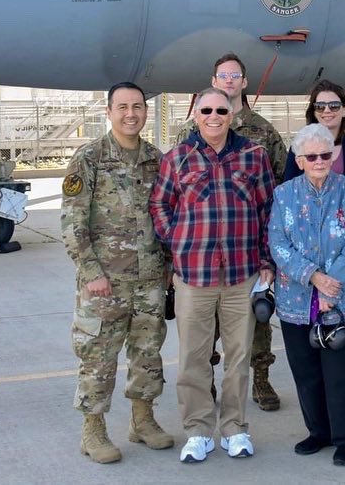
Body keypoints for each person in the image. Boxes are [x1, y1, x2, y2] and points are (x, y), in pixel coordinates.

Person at [150, 87, 276, 463]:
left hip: (242, 274)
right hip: (194, 276)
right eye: (206, 110)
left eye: (221, 110)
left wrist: (267, 261)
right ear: (196, 114)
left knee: (239, 358)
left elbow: (268, 210)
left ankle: (235, 428)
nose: (214, 117)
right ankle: (198, 431)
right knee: (193, 358)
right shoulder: (177, 158)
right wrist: (178, 240)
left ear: (231, 114)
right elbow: (160, 204)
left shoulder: (254, 155)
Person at [61, 81, 173, 463]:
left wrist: (168, 267)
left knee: (148, 353)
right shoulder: (89, 158)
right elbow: (72, 222)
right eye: (122, 107)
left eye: (137, 106)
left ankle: (143, 420)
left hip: (150, 278)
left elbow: (167, 217)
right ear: (108, 112)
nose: (130, 114)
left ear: (146, 111)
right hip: (105, 281)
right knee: (98, 356)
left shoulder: (157, 160)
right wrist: (91, 272)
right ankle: (92, 430)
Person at [176, 53, 288, 412]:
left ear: (244, 82)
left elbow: (278, 188)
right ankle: (207, 382)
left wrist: (269, 250)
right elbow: (173, 193)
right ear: (213, 81)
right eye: (222, 75)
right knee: (203, 325)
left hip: (246, 251)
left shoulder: (263, 131)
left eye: (235, 75)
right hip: (202, 254)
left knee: (256, 319)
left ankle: (261, 378)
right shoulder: (189, 131)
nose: (228, 80)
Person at [270, 124, 345, 467]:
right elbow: (277, 243)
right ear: (299, 160)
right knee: (306, 370)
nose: (318, 161)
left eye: (325, 155)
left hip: (342, 297)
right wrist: (313, 276)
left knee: (342, 371)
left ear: (333, 156)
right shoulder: (284, 194)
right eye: (310, 156)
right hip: (296, 298)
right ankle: (319, 431)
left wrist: (331, 284)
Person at [285, 79, 345, 212]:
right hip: (305, 222)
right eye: (320, 106)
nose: (327, 110)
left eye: (334, 105)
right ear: (314, 111)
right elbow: (289, 192)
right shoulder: (298, 148)